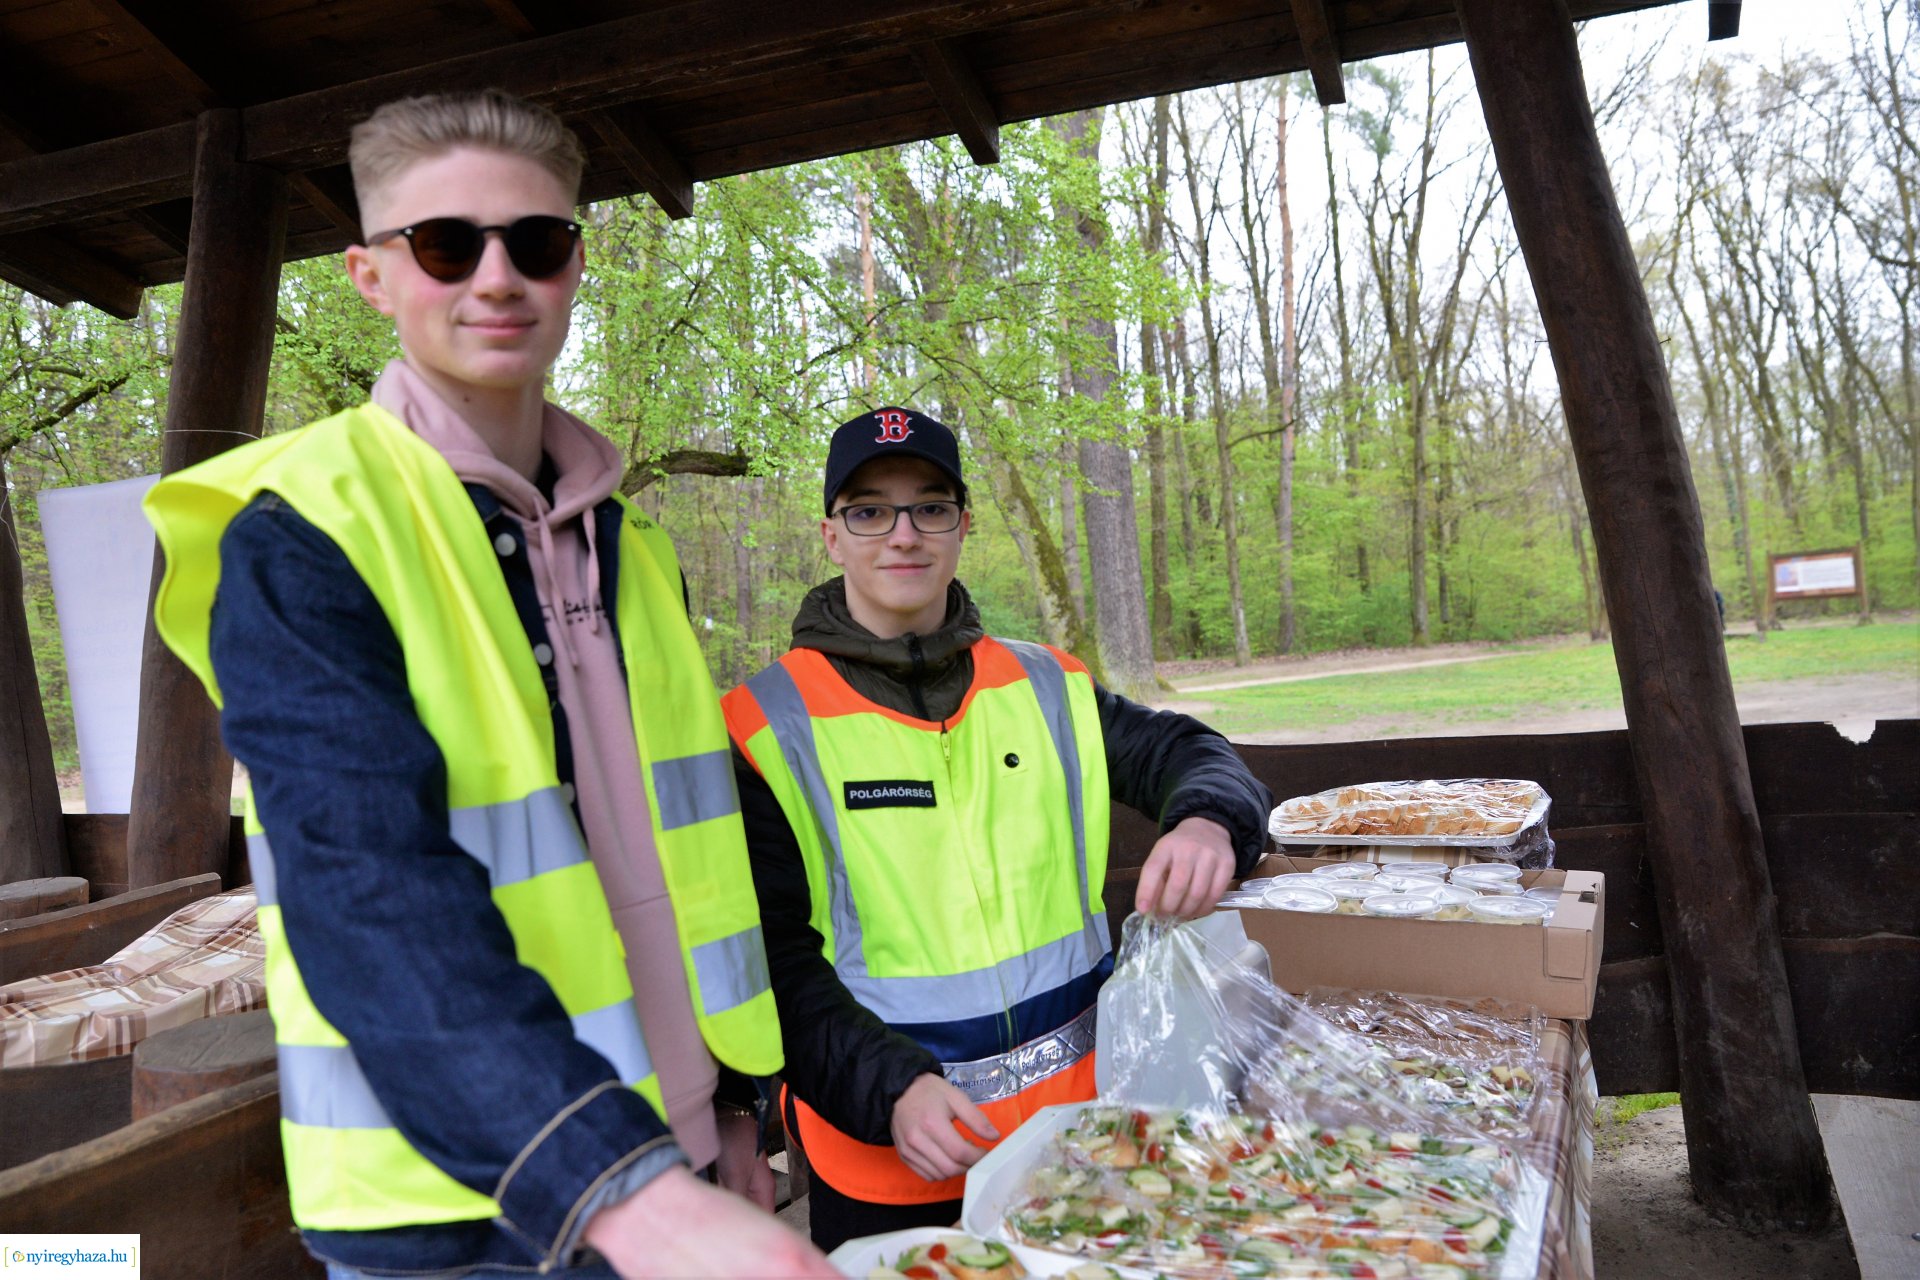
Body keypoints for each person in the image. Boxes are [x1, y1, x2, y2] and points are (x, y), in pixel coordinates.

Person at [142, 92, 837, 1280]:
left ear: (577, 265)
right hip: (464, 1216)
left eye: (539, 241)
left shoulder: (635, 545)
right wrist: (624, 1190)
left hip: (680, 1156)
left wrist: (729, 1110)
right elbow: (365, 887)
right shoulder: (303, 532)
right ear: (370, 275)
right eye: (447, 244)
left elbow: (687, 863)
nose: (498, 276)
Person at [721, 406, 1274, 1251]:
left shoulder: (1048, 684)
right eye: (870, 510)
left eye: (930, 507)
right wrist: (891, 1089)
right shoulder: (763, 726)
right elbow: (773, 965)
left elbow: (1193, 753)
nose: (903, 534)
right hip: (892, 1157)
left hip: (1081, 1138)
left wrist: (1208, 824)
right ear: (833, 536)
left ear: (962, 526)